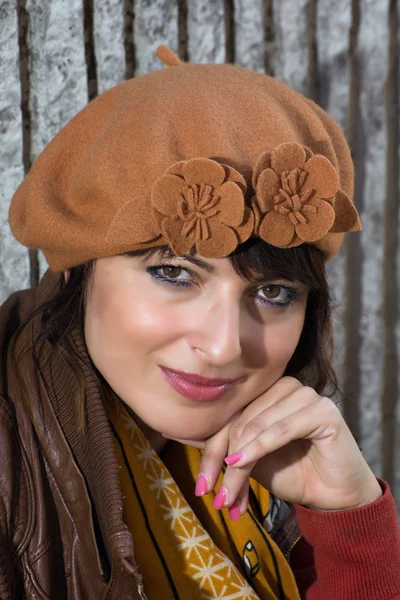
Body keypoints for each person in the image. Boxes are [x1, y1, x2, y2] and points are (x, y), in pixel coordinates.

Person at [1, 44, 399, 600]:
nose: (222, 346)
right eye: (173, 273)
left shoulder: (275, 468)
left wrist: (350, 523)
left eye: (274, 291)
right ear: (76, 270)